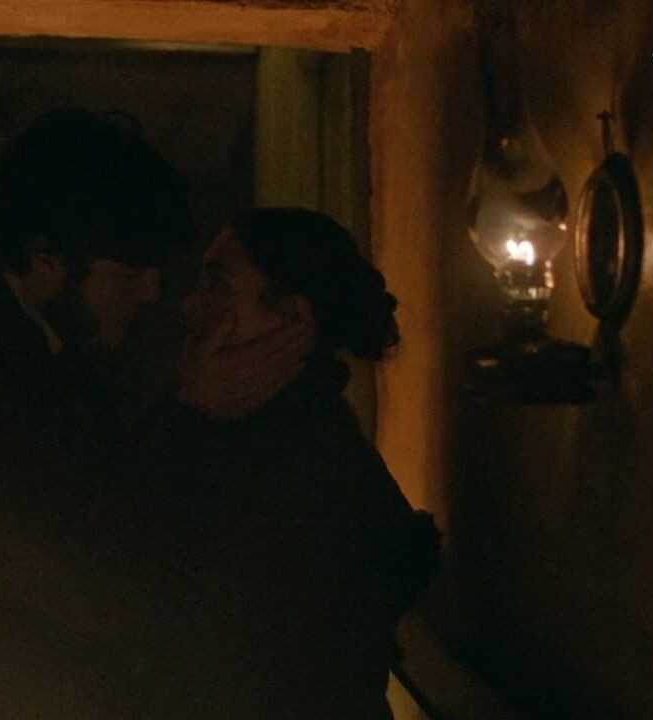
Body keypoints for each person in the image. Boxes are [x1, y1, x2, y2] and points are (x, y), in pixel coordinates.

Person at [0, 110, 311, 720]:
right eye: (129, 271)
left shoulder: (17, 332)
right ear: (45, 260)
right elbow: (96, 578)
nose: (152, 291)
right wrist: (191, 419)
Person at [144, 208, 441, 720]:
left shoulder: (303, 464)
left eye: (218, 285)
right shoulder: (249, 435)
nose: (191, 306)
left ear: (292, 319)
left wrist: (184, 420)